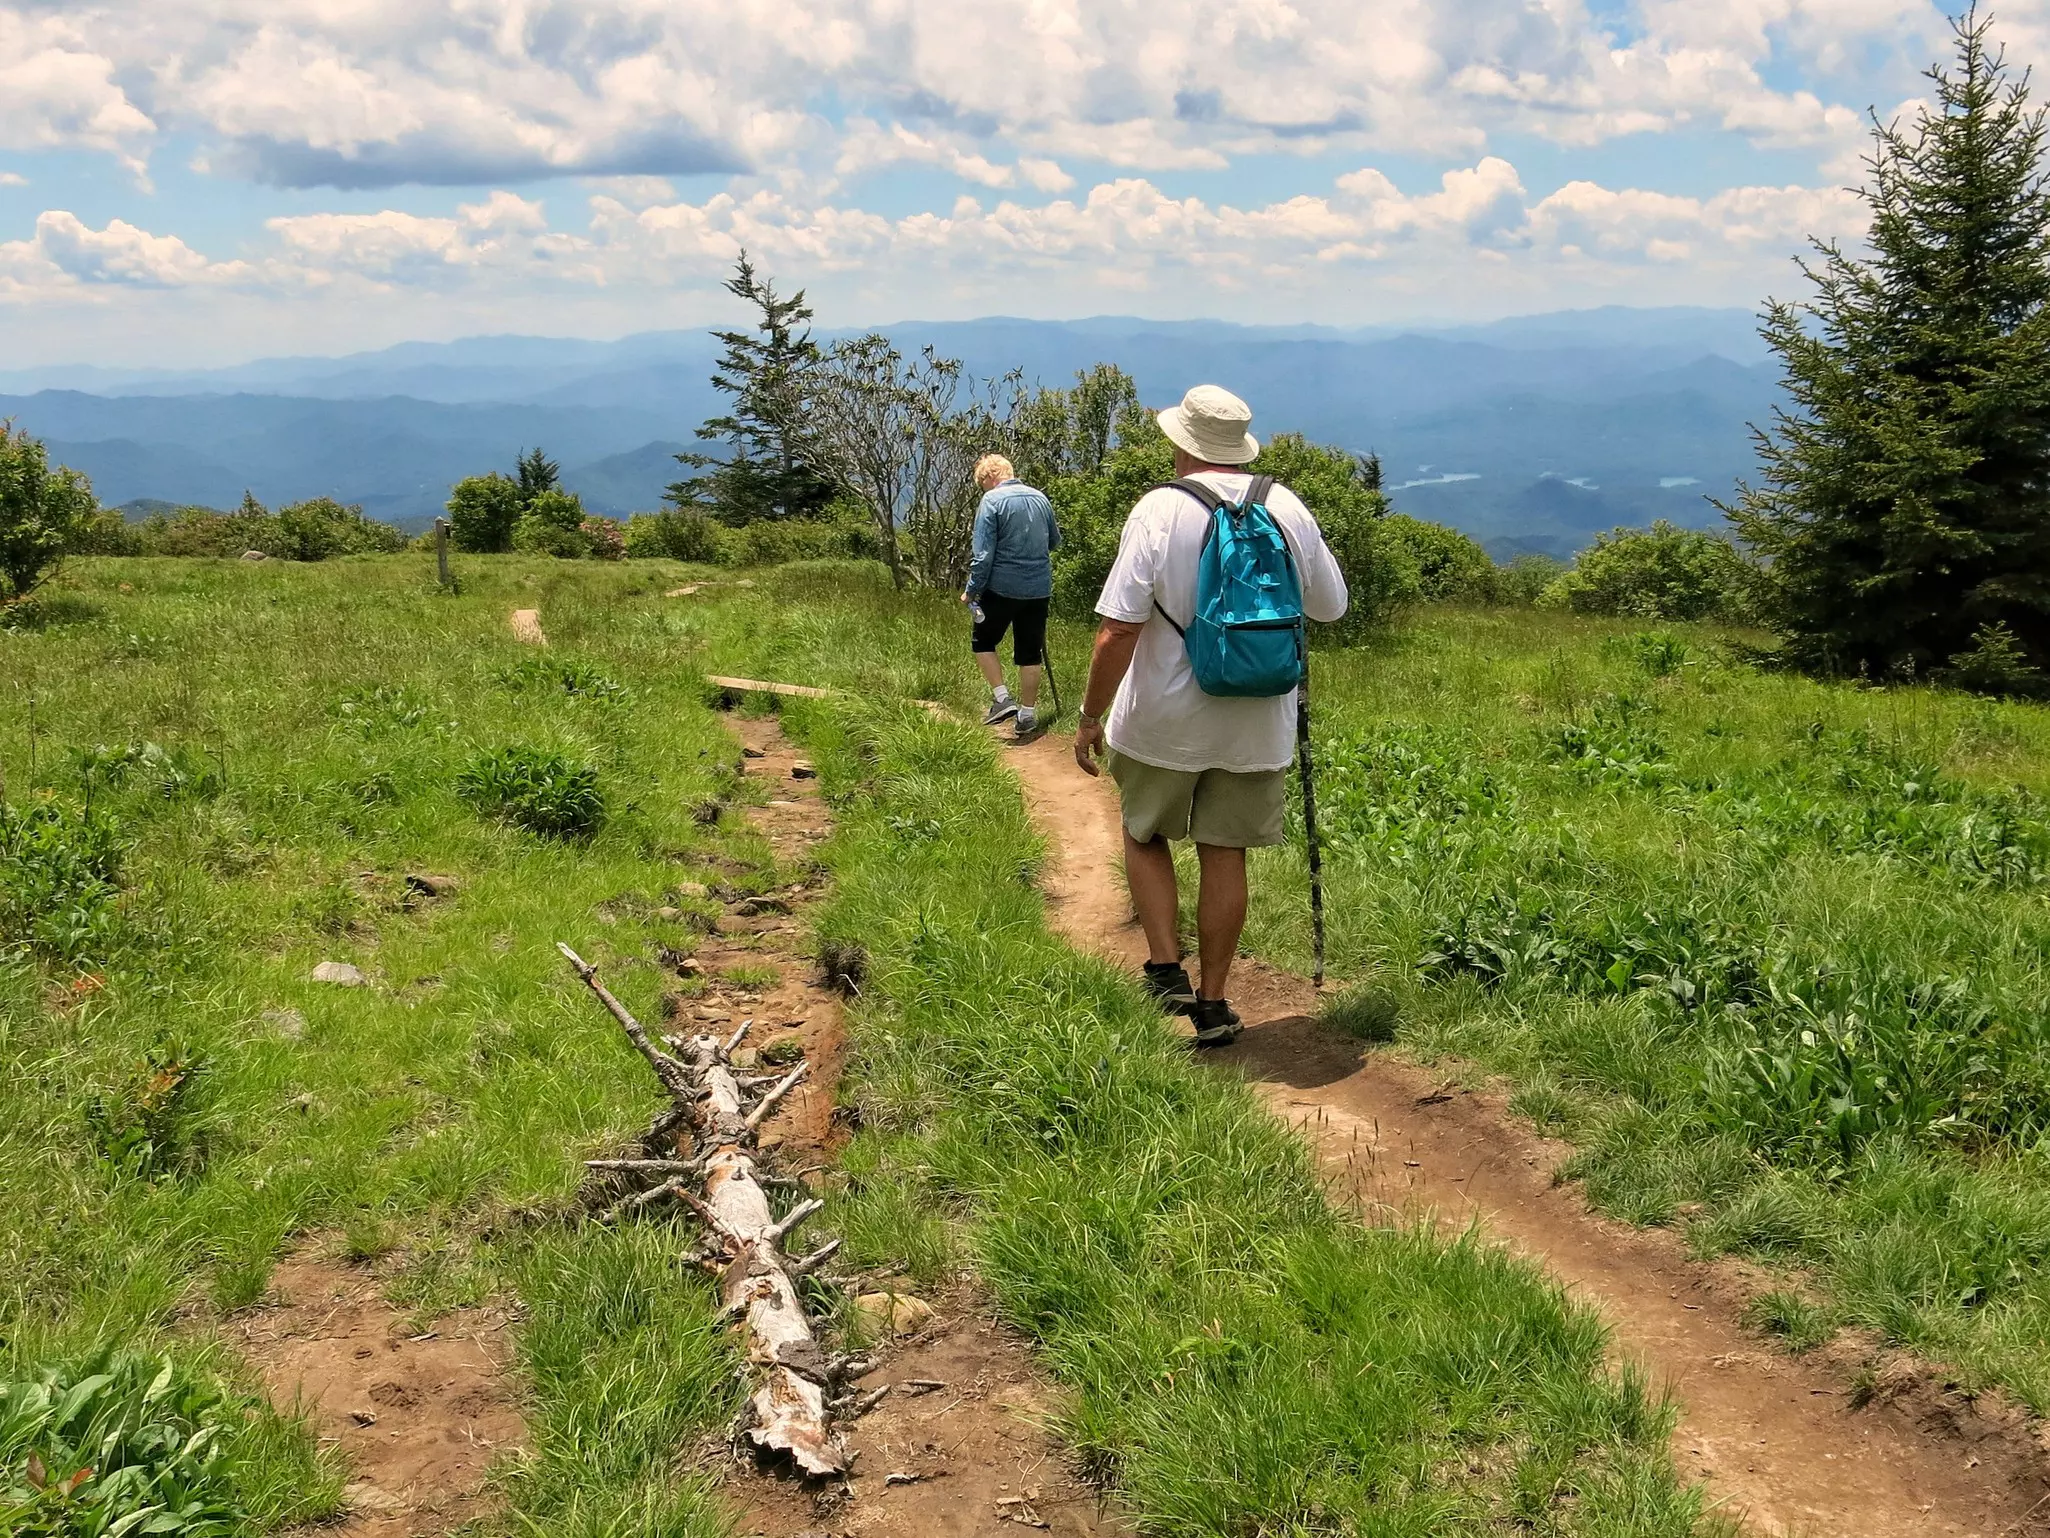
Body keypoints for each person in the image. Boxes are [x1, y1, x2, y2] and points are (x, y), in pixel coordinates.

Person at [1073, 385, 1348, 1045]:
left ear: (1182, 443)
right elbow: (1330, 607)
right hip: (1258, 719)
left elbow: (1118, 630)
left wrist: (1090, 717)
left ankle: (1165, 968)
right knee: (1226, 854)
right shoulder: (1285, 506)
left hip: (1163, 716)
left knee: (1145, 833)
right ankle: (1216, 1004)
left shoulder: (1159, 509)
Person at [963, 453, 1061, 741]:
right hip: (1039, 587)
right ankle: (1027, 715)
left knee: (983, 640)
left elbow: (982, 556)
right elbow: (1054, 540)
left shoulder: (992, 501)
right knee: (1030, 652)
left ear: (988, 478)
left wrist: (971, 590)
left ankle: (1002, 698)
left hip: (1003, 586)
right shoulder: (1040, 498)